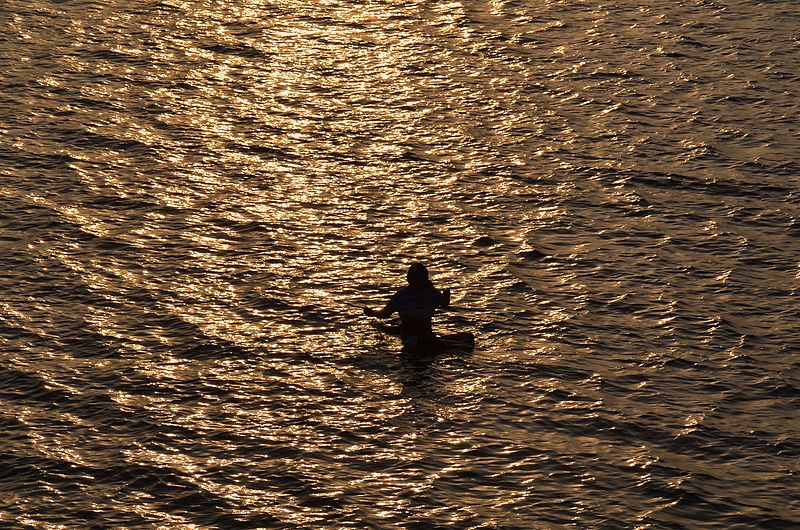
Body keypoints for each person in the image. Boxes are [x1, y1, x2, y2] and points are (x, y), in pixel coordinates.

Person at [364, 263, 451, 348]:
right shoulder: (433, 293)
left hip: (409, 339)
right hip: (428, 336)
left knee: (381, 326)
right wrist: (447, 297)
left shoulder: (401, 295)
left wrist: (371, 312)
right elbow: (444, 304)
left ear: (408, 278)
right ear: (426, 278)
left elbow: (384, 314)